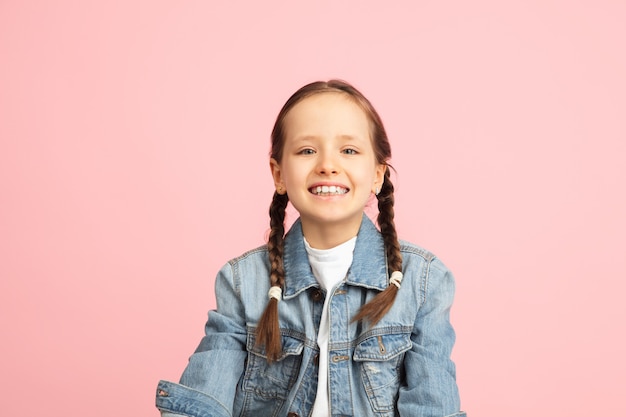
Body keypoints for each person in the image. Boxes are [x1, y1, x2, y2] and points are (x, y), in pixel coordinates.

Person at [155, 80, 466, 417]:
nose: (327, 165)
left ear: (377, 175)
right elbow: (204, 399)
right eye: (307, 151)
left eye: (348, 150)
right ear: (278, 174)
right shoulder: (243, 281)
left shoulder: (423, 281)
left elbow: (432, 405)